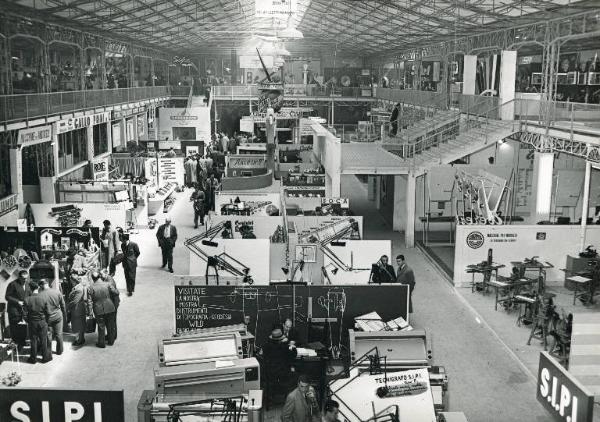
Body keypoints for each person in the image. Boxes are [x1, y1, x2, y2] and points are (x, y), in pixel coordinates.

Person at [261, 326, 298, 395]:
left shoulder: (266, 347)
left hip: (269, 375)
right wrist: (290, 345)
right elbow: (294, 355)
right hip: (283, 375)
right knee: (295, 375)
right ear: (281, 339)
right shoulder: (285, 348)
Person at [23, 280, 52, 363]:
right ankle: (45, 358)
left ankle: (33, 359)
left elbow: (24, 314)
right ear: (38, 288)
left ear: (30, 289)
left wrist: (29, 321)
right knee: (43, 340)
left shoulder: (27, 299)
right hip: (42, 322)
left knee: (33, 340)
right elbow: (49, 312)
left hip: (32, 322)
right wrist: (46, 321)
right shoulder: (43, 298)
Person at [88, 271, 118, 348]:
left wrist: (90, 313)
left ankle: (101, 343)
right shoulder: (107, 284)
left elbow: (90, 302)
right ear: (99, 277)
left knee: (101, 326)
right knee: (110, 325)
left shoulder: (91, 287)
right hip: (110, 307)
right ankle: (111, 341)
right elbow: (116, 292)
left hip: (98, 309)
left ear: (92, 278)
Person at [5, 270, 31, 351]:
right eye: (23, 278)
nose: (25, 280)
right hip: (14, 311)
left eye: (26, 278)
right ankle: (16, 346)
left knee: (23, 328)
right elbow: (7, 297)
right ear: (19, 277)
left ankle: (21, 344)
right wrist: (17, 302)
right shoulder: (12, 284)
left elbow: (29, 294)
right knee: (15, 329)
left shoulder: (27, 284)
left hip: (23, 311)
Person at [39, 279, 66, 355]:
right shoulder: (57, 291)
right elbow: (63, 305)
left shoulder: (40, 295)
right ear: (48, 284)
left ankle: (48, 352)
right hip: (58, 316)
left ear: (41, 286)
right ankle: (59, 351)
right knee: (59, 334)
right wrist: (64, 314)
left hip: (47, 318)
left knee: (48, 335)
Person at [68, 274, 90, 347]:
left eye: (71, 281)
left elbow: (75, 301)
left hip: (78, 309)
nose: (71, 282)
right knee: (80, 324)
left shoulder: (79, 289)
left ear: (73, 281)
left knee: (79, 325)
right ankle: (81, 339)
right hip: (79, 308)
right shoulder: (78, 287)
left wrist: (68, 306)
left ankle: (80, 340)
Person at [101, 269, 120, 339]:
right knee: (112, 321)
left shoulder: (109, 281)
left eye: (102, 274)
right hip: (113, 302)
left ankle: (111, 336)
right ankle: (113, 335)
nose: (101, 275)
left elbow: (116, 292)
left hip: (113, 303)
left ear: (106, 273)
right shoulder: (108, 279)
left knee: (111, 321)